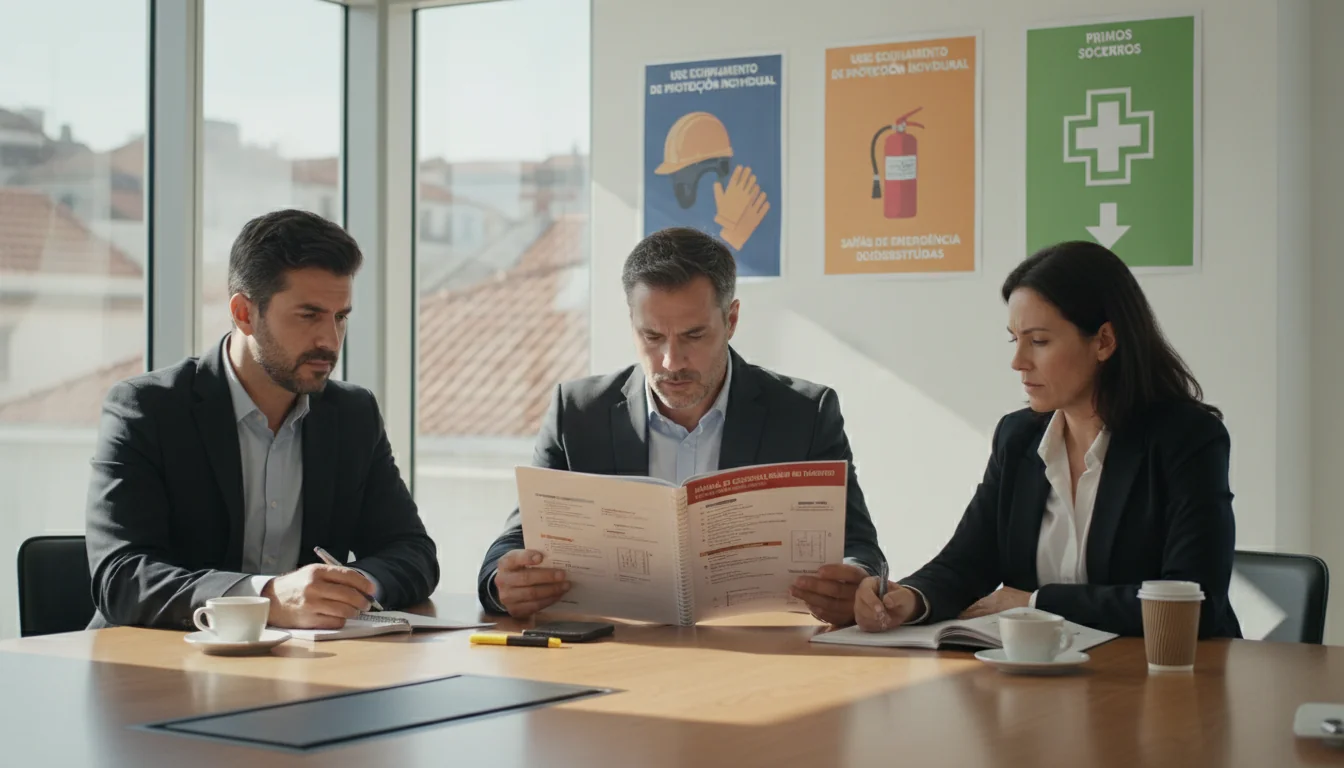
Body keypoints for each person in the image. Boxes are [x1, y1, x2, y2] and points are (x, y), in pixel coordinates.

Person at [479, 227, 885, 625]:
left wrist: (852, 585)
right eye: (652, 336)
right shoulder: (578, 413)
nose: (671, 362)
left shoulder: (804, 413)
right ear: (631, 322)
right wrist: (503, 581)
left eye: (693, 335)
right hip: (617, 652)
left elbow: (860, 548)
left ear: (732, 319)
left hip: (760, 655)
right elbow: (516, 542)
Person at [854, 241, 1241, 639]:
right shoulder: (1017, 437)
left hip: (1166, 681)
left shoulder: (1187, 439)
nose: (1018, 361)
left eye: (1038, 341)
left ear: (1105, 341)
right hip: (1045, 681)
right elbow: (967, 561)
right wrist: (909, 599)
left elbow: (1196, 601)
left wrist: (1036, 604)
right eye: (1014, 339)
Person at [85, 209, 439, 631]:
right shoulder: (147, 409)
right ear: (243, 313)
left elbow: (411, 550)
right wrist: (266, 597)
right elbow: (122, 578)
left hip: (307, 671)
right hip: (154, 672)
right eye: (308, 315)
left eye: (340, 316)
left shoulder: (352, 415)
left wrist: (353, 586)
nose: (330, 340)